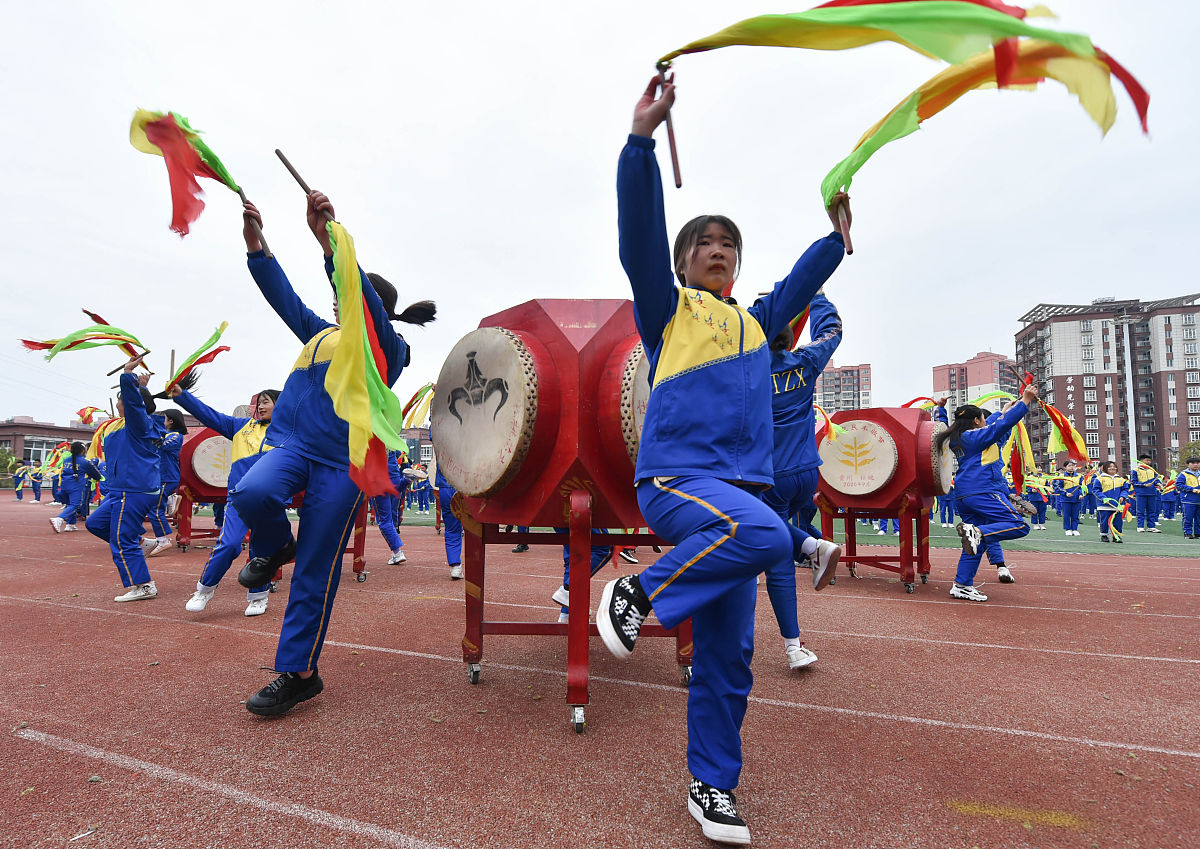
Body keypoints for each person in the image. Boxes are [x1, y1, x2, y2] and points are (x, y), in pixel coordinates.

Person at [597, 75, 847, 846]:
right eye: (703, 242)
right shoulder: (667, 311)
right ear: (682, 264)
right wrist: (641, 142)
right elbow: (639, 237)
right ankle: (632, 595)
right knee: (772, 536)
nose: (717, 248)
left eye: (727, 242)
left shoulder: (758, 325)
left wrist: (835, 238)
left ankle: (713, 785)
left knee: (730, 659)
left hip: (737, 504)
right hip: (677, 482)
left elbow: (800, 284)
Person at [229, 191, 429, 716]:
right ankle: (274, 547)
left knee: (316, 568)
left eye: (346, 291)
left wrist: (331, 242)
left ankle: (298, 673)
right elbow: (284, 298)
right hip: (295, 449)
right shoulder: (320, 335)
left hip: (343, 468)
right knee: (250, 490)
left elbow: (359, 295)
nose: (338, 299)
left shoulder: (388, 349)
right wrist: (257, 244)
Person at [761, 290, 843, 670]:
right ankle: (808, 545)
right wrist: (818, 296)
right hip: (808, 473)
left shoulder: (748, 370)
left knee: (775, 557)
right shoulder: (806, 361)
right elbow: (832, 331)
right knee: (772, 539)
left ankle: (811, 546)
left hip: (770, 476)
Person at [172, 385, 280, 616]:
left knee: (262, 551)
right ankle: (204, 590)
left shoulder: (289, 431)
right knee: (229, 545)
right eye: (259, 402)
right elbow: (208, 414)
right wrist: (181, 396)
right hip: (239, 499)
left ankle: (258, 597)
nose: (260, 406)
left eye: (266, 402)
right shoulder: (239, 427)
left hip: (270, 502)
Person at [938, 382, 1038, 602]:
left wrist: (940, 409)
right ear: (976, 421)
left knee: (974, 543)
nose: (986, 421)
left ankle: (962, 584)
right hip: (982, 492)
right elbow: (998, 427)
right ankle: (979, 533)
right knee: (1019, 525)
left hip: (965, 495)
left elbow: (995, 424)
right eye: (983, 418)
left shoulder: (957, 438)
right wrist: (1025, 401)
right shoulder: (977, 437)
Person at [85, 356, 163, 602]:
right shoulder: (118, 425)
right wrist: (143, 386)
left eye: (122, 397)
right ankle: (144, 542)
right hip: (121, 489)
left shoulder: (138, 424)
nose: (120, 401)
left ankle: (143, 585)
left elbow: (136, 404)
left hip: (134, 488)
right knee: (96, 523)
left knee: (122, 539)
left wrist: (128, 375)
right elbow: (138, 403)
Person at [142, 409, 186, 556]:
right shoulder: (167, 434)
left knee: (155, 509)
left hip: (168, 478)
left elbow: (161, 444)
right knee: (147, 505)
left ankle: (163, 540)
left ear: (171, 421)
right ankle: (171, 500)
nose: (163, 421)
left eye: (165, 419)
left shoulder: (176, 436)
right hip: (160, 478)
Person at [49, 443, 101, 533]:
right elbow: (96, 475)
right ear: (82, 451)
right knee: (75, 505)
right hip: (75, 486)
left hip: (64, 485)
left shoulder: (66, 460)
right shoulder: (85, 462)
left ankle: (70, 524)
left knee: (69, 504)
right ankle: (59, 519)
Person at [371, 449, 409, 565]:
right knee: (392, 513)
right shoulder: (389, 435)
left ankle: (397, 552)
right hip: (394, 478)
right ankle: (406, 480)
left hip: (379, 481)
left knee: (384, 519)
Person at [435, 460, 463, 580]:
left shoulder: (439, 439)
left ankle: (455, 565)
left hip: (445, 488)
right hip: (466, 485)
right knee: (476, 527)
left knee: (452, 529)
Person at [1092, 461, 1130, 542]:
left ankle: (1116, 536)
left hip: (1118, 505)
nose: (1112, 468)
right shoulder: (1100, 479)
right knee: (1105, 521)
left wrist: (1122, 496)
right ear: (1105, 468)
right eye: (1110, 467)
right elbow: (1096, 490)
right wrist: (1104, 498)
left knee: (1118, 521)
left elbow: (1125, 489)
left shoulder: (1121, 479)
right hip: (1104, 505)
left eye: (1114, 466)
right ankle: (1104, 535)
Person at [1132, 454, 1163, 533]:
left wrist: (1159, 484)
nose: (1148, 462)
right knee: (1140, 510)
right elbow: (1133, 482)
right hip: (1141, 493)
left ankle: (1151, 526)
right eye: (1147, 460)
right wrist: (1144, 484)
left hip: (1152, 493)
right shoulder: (1135, 470)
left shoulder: (1152, 470)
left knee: (1152, 510)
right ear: (1141, 460)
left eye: (1149, 460)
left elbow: (1156, 479)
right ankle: (1140, 526)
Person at [1054, 458, 1085, 536]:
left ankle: (1075, 529)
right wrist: (1065, 493)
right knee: (1067, 515)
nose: (1072, 467)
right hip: (1066, 499)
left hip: (1077, 499)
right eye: (1069, 466)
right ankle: (1067, 529)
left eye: (1073, 465)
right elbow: (1057, 487)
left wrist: (1081, 494)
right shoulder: (1061, 476)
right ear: (1065, 467)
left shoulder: (1079, 476)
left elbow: (1082, 486)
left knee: (1075, 515)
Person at [1176, 457, 1200, 539]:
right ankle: (1187, 533)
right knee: (1188, 517)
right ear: (1188, 464)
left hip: (1198, 499)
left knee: (1198, 518)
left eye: (1197, 463)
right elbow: (1179, 485)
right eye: (1193, 463)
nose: (1196, 465)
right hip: (1188, 500)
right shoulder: (1184, 474)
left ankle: (1198, 533)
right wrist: (1192, 489)